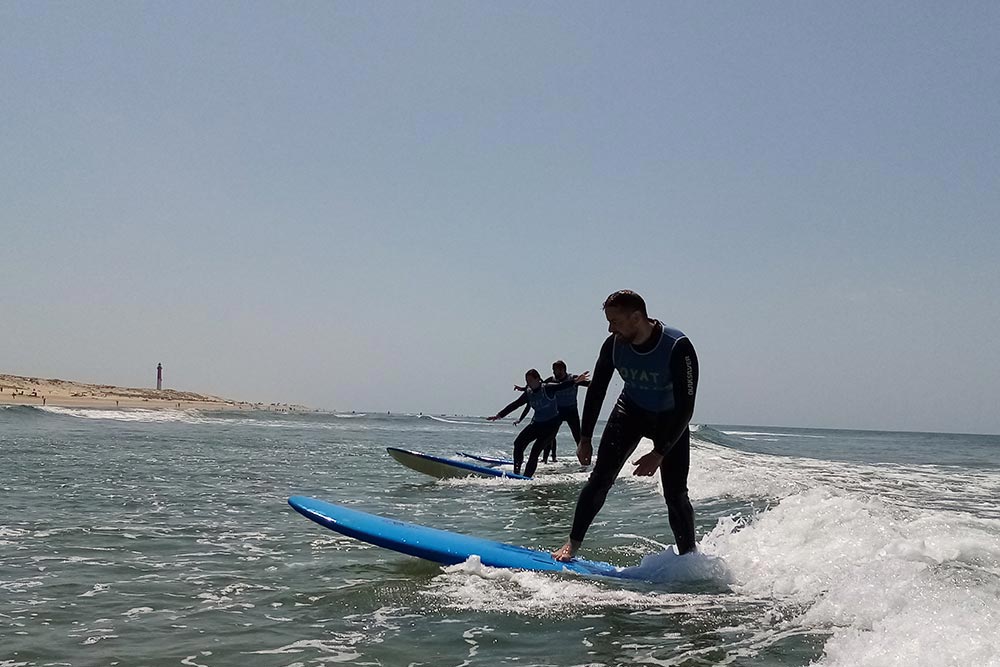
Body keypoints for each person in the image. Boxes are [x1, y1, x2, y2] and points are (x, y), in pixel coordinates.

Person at [552, 290, 699, 561]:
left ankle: (689, 558)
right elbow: (597, 391)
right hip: (630, 412)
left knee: (676, 494)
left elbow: (686, 407)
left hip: (669, 419)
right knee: (599, 479)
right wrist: (584, 438)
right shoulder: (614, 345)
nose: (610, 328)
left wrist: (660, 452)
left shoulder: (678, 347)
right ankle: (572, 544)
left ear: (636, 317)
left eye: (615, 321)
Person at [487, 369, 590, 477]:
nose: (528, 384)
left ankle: (526, 477)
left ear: (538, 379)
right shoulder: (528, 393)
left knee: (534, 452)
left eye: (530, 381)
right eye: (527, 381)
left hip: (551, 426)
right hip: (537, 424)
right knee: (518, 444)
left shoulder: (547, 388)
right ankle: (516, 473)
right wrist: (499, 415)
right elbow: (516, 404)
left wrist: (575, 381)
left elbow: (561, 386)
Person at [514, 360, 591, 463]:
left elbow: (591, 384)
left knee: (578, 437)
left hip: (571, 412)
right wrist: (523, 389)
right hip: (557, 411)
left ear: (563, 369)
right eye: (553, 370)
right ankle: (546, 459)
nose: (554, 373)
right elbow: (538, 385)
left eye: (556, 370)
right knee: (550, 435)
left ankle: (584, 462)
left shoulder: (573, 379)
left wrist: (599, 383)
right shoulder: (552, 380)